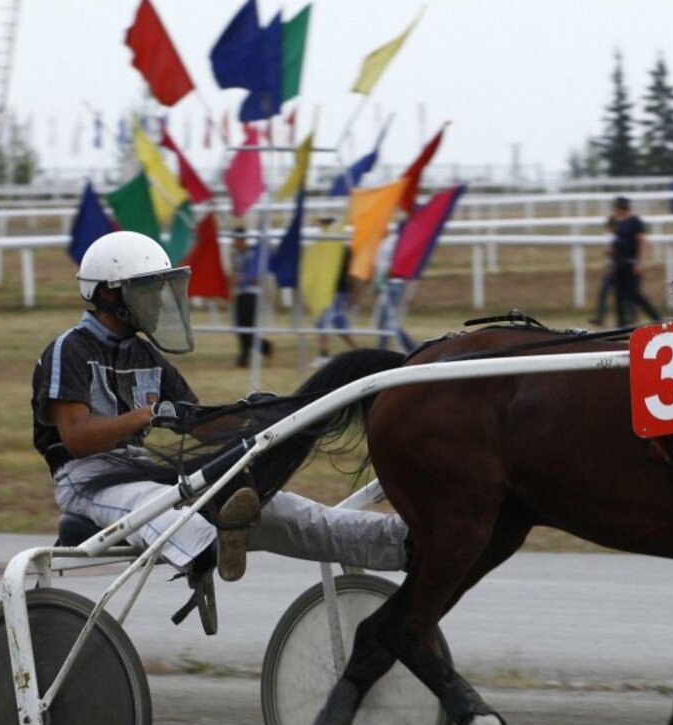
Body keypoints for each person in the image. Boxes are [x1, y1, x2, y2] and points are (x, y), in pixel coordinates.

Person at [32, 232, 408, 634]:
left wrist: (259, 411)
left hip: (138, 467)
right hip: (85, 478)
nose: (160, 301)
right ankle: (208, 546)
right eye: (148, 290)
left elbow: (202, 424)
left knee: (281, 507)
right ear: (109, 296)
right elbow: (76, 437)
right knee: (156, 502)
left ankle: (397, 542)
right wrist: (149, 415)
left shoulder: (144, 354)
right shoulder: (69, 350)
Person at [609, 196, 662, 327]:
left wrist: (640, 262)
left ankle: (656, 317)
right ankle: (621, 324)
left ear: (621, 208)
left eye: (615, 208)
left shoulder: (635, 222)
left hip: (632, 264)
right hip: (620, 264)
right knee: (619, 295)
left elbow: (642, 242)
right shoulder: (620, 223)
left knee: (634, 294)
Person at [314, 216, 359, 363]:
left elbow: (351, 272)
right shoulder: (323, 247)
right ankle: (357, 350)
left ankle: (324, 353)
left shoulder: (342, 249)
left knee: (323, 322)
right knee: (339, 324)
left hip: (337, 291)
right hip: (329, 291)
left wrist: (353, 291)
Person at [229, 228, 273, 366]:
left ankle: (245, 356)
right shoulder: (235, 255)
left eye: (237, 240)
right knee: (240, 326)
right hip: (239, 293)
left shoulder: (251, 255)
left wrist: (242, 279)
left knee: (247, 326)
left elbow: (256, 277)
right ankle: (264, 347)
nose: (235, 242)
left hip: (251, 294)